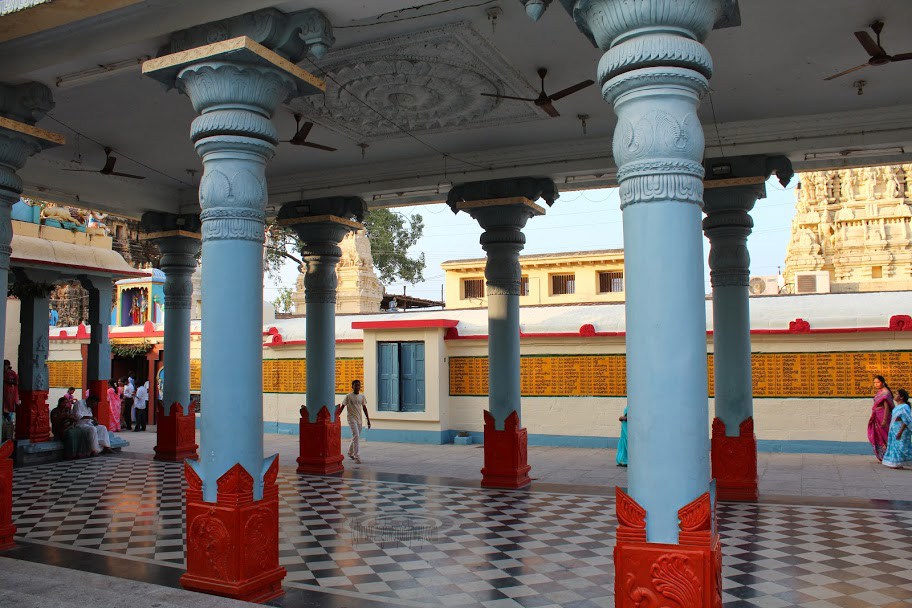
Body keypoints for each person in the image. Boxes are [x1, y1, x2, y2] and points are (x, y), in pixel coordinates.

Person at [339, 379, 371, 464]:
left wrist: (368, 420)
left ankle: (350, 453)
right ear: (352, 386)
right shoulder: (348, 396)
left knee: (356, 437)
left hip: (359, 419)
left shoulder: (362, 396)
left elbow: (364, 408)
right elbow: (342, 406)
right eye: (355, 385)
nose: (357, 387)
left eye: (358, 385)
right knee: (356, 435)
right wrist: (336, 416)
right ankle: (357, 456)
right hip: (351, 418)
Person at [883, 388, 912, 469]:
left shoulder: (905, 406)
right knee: (895, 447)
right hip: (894, 428)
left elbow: (906, 420)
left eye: (896, 394)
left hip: (902, 430)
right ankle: (897, 463)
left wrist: (900, 431)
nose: (894, 396)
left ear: (901, 397)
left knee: (902, 447)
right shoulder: (896, 407)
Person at [868, 375, 894, 462]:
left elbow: (887, 407)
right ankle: (884, 456)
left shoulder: (885, 393)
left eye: (878, 382)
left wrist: (885, 420)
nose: (876, 384)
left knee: (885, 437)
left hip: (883, 417)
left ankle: (889, 456)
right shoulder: (880, 392)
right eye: (874, 383)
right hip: (877, 416)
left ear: (883, 382)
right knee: (878, 436)